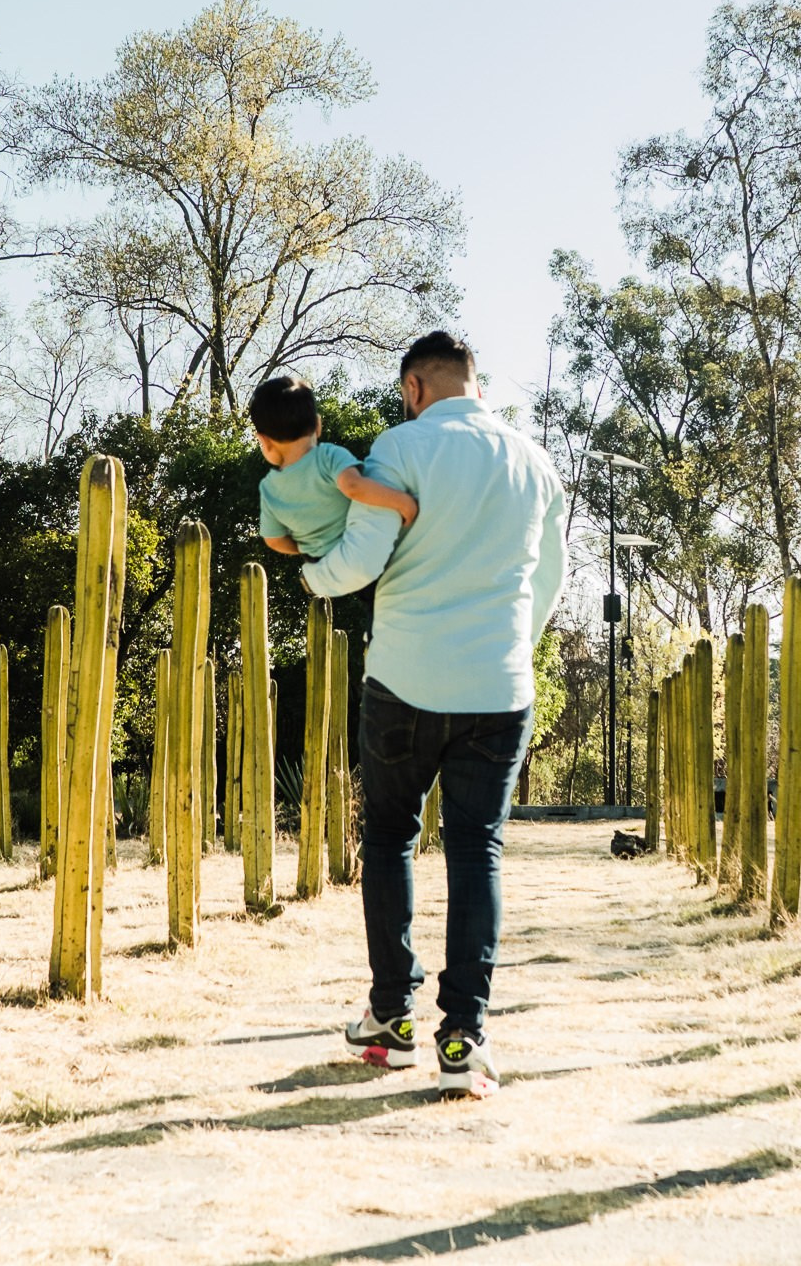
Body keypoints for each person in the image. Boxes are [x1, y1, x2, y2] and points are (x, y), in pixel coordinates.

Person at [301, 331, 566, 1098]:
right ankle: (465, 1036)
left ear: (415, 387)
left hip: (405, 677)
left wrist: (312, 576)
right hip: (498, 685)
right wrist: (506, 644)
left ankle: (390, 1015)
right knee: (477, 849)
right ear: (473, 384)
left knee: (388, 839)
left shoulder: (401, 444)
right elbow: (548, 580)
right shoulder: (533, 460)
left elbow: (361, 556)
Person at [250, 375, 417, 558]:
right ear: (318, 424)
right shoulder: (327, 456)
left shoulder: (268, 488)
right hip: (357, 552)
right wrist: (402, 501)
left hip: (321, 568)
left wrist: (307, 549)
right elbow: (354, 486)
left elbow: (274, 540)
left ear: (264, 441)